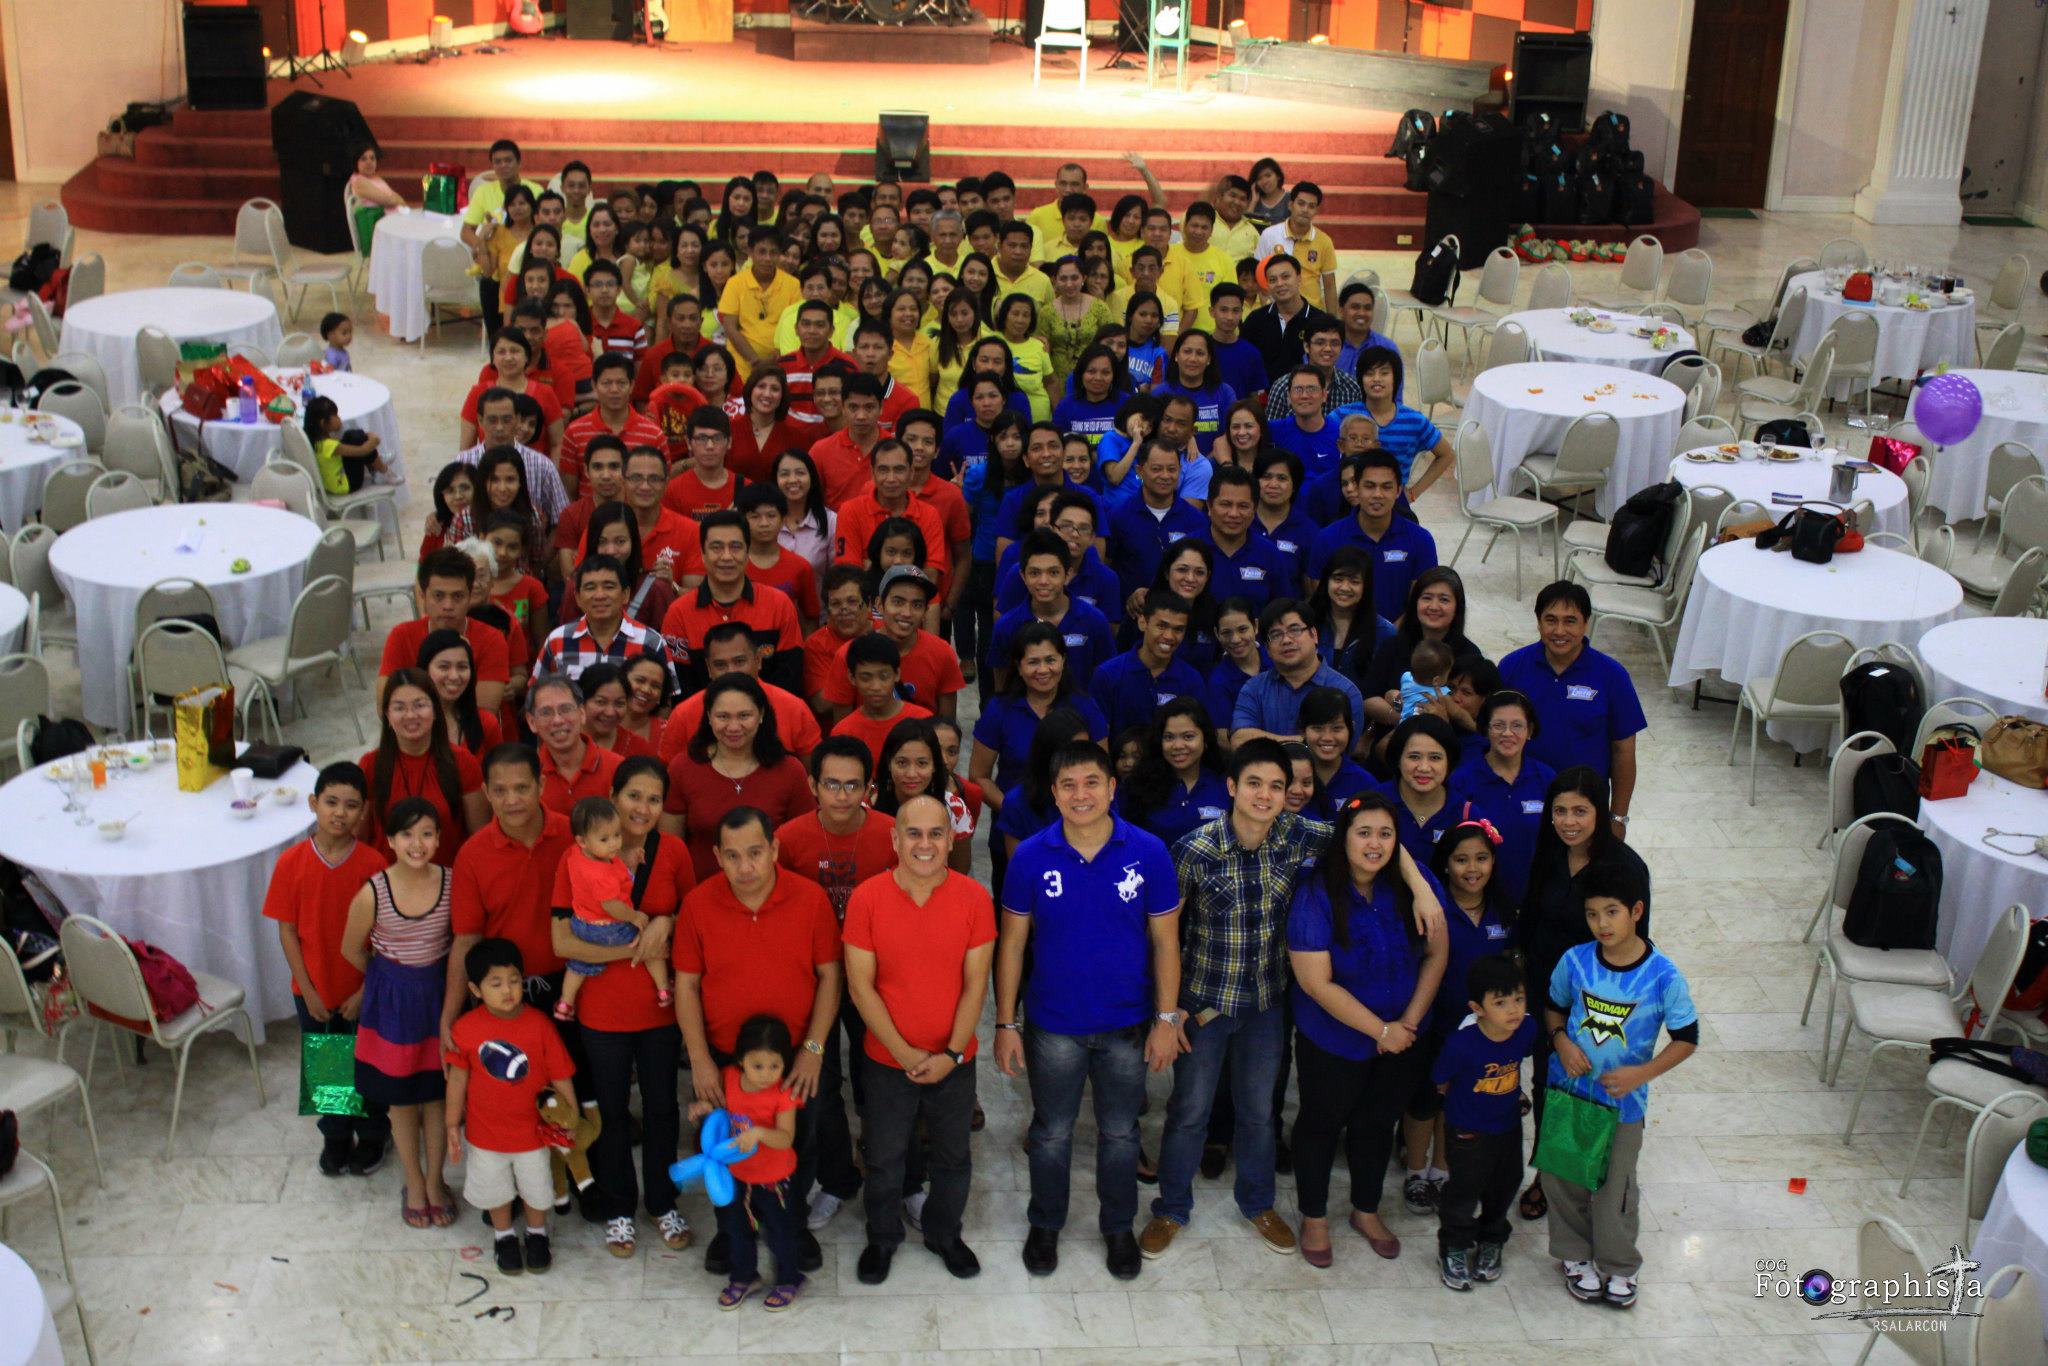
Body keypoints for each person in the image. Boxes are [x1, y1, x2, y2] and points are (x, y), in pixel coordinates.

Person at [1143, 739, 1425, 1259]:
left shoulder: (1301, 837)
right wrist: (1166, 1009)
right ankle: (1171, 1209)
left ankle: (1258, 1203)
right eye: (1254, 783)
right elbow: (1162, 936)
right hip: (1202, 1006)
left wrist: (1421, 888)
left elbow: (1372, 835)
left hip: (1267, 1006)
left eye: (1278, 785)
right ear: (1231, 787)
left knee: (1258, 1113)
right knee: (1189, 1112)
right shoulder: (1194, 850)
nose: (1267, 794)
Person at [994, 743, 1183, 1281]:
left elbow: (1167, 942)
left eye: (1092, 783)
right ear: (1053, 793)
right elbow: (1011, 945)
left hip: (1127, 1023)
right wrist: (1006, 1023)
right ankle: (1046, 1222)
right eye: (1069, 785)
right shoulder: (1030, 856)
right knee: (1052, 1132)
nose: (1081, 795)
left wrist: (1166, 1020)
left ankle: (1118, 1227)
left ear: (1111, 787)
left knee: (1121, 1133)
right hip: (1053, 1024)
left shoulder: (1148, 852)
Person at [673, 805, 842, 1278]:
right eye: (732, 856)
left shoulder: (809, 900)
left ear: (774, 849)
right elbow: (686, 984)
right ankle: (732, 1232)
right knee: (724, 1146)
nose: (745, 867)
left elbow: (830, 976)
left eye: (755, 853)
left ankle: (793, 1224)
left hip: (794, 1060)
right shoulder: (698, 904)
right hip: (725, 1057)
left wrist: (813, 1049)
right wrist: (701, 1060)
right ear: (717, 857)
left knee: (796, 1145)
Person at [1285, 791, 1449, 1265]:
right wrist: (1380, 1030)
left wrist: (1409, 1023)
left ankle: (1366, 1208)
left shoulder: (1413, 887)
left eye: (1385, 834)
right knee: (1320, 1123)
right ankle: (1314, 1216)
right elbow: (1315, 982)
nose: (1374, 844)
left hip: (1405, 1036)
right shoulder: (1317, 893)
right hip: (1335, 1040)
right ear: (1344, 839)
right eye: (1363, 833)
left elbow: (1438, 955)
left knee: (1377, 1124)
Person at [842, 793, 997, 1285]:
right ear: (895, 838)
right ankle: (882, 1237)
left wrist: (951, 1053)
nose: (924, 844)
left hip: (955, 1060)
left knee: (953, 1156)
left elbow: (977, 984)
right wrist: (905, 1053)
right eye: (914, 833)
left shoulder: (974, 898)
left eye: (936, 833)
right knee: (885, 1157)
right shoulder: (867, 897)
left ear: (952, 839)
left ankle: (944, 1233)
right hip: (888, 1061)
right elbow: (859, 986)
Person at [552, 756, 697, 1255]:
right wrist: (634, 946)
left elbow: (692, 919)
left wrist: (667, 922)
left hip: (659, 1011)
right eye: (634, 795)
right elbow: (562, 942)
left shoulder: (673, 852)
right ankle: (619, 1207)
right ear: (612, 796)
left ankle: (662, 1200)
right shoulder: (574, 859)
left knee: (661, 1107)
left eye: (654, 799)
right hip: (600, 1012)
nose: (643, 807)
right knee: (611, 1112)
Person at [1543, 861, 1696, 1309]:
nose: (1602, 924)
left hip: (1622, 1106)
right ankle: (1574, 1257)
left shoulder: (1663, 975)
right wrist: (1560, 1041)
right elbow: (1554, 1007)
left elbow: (1687, 1039)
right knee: (1563, 1177)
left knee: (1616, 1187)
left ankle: (1619, 1265)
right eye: (1593, 914)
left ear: (1636, 911)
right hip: (1570, 1091)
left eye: (1612, 912)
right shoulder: (1575, 960)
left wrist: (1640, 1074)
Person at [1517, 765, 1652, 1221]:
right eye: (1559, 811)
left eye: (1580, 811)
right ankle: (1549, 1175)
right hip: (1545, 992)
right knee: (1547, 1082)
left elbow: (1637, 950)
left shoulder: (1626, 868)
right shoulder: (1550, 851)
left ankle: (1593, 1175)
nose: (1568, 821)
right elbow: (1531, 913)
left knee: (1593, 1090)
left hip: (1599, 1002)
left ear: (1600, 811)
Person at [266, 763, 390, 1177]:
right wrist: (308, 988)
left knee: (368, 1066)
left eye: (351, 805)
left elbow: (385, 937)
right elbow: (287, 932)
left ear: (364, 812)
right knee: (328, 1066)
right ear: (313, 803)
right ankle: (336, 1136)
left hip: (363, 992)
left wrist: (364, 992)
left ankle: (373, 1135)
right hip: (313, 991)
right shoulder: (291, 863)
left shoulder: (374, 864)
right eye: (331, 802)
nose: (340, 812)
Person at [342, 798, 455, 1228]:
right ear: (389, 840)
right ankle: (413, 1179)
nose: (417, 843)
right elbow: (351, 948)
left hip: (437, 999)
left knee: (436, 1096)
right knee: (402, 1102)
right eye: (406, 834)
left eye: (427, 833)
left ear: (439, 839)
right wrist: (383, 981)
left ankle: (436, 1179)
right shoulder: (373, 892)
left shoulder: (451, 882)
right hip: (392, 1006)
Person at [445, 936, 577, 1274]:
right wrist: (451, 1124)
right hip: (485, 1135)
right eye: (496, 983)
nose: (508, 990)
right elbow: (457, 1080)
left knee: (536, 1188)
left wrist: (571, 1114)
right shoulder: (465, 1030)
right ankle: (503, 1236)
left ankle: (536, 1234)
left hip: (534, 1134)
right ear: (475, 990)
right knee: (496, 1191)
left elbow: (561, 1074)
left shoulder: (539, 1025)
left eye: (514, 981)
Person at [445, 744, 578, 1043]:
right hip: (506, 996)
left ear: (541, 785)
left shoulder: (573, 837)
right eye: (500, 790)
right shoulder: (472, 856)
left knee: (576, 1086)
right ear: (486, 792)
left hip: (574, 984)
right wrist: (449, 1016)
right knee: (521, 1086)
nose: (512, 800)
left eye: (522, 788)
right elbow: (467, 938)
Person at [1501, 580, 1646, 827]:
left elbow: (1623, 751)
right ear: (1538, 622)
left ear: (1586, 624)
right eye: (1551, 620)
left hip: (1586, 808)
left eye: (1570, 621)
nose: (1559, 631)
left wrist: (1618, 818)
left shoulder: (1612, 676)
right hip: (1525, 803)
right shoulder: (1512, 668)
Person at [1431, 951, 1534, 1291]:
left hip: (1507, 1126)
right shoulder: (1462, 1043)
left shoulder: (1526, 1029)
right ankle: (1454, 1247)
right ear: (1477, 1008)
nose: (1514, 1010)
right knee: (1463, 1191)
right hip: (1467, 1131)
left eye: (1519, 999)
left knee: (1506, 1183)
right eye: (1501, 1002)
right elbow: (1441, 1079)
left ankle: (1492, 1239)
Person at [690, 1014, 806, 1311]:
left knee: (780, 1233)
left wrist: (759, 1133)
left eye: (775, 1066)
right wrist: (705, 1109)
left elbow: (785, 1138)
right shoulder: (728, 1078)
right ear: (741, 1059)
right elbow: (722, 1112)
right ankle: (744, 1277)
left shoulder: (784, 1095)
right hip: (737, 1176)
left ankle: (789, 1279)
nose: (766, 1074)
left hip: (774, 1180)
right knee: (737, 1231)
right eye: (757, 1066)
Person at [661, 674, 816, 878]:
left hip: (772, 892)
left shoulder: (790, 770)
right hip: (700, 894)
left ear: (761, 715)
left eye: (744, 716)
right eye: (723, 716)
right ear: (708, 717)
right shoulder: (683, 768)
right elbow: (670, 847)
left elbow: (804, 844)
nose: (733, 727)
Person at [555, 795, 667, 1023]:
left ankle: (566, 1002)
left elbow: (613, 869)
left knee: (578, 964)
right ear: (583, 841)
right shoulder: (601, 874)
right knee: (649, 943)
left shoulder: (576, 855)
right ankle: (664, 988)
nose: (615, 843)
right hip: (607, 927)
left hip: (582, 923)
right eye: (605, 839)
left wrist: (630, 861)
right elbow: (612, 906)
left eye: (616, 835)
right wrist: (635, 916)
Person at [360, 668, 489, 866]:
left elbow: (479, 839)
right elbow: (358, 839)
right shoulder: (371, 766)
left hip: (447, 881)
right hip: (388, 883)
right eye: (399, 708)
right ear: (387, 715)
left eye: (420, 705)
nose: (410, 715)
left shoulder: (462, 763)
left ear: (436, 711)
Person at [1307, 449, 1440, 623]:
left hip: (1398, 640)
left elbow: (1422, 600)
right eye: (1369, 486)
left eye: (1386, 487)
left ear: (1398, 490)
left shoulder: (1421, 540)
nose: (1378, 494)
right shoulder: (1327, 539)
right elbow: (1321, 597)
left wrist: (1389, 637)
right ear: (1356, 487)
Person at [1446, 691, 1553, 903]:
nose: (1507, 733)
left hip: (1535, 900)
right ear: (1485, 729)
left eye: (1517, 726)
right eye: (1498, 725)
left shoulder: (1546, 778)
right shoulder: (1462, 781)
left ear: (1530, 731)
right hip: (1480, 902)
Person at [383, 549, 511, 716]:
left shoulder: (492, 639)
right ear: (422, 597)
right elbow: (385, 706)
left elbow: (484, 712)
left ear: (470, 597)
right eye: (438, 596)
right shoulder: (401, 636)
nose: (448, 606)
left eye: (457, 596)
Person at [1232, 598, 1365, 745]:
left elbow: (1342, 751)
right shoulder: (1254, 688)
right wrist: (1302, 742)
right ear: (1267, 649)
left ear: (1314, 635)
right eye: (1276, 635)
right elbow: (1239, 741)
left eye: (1294, 630)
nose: (1286, 640)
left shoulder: (1346, 691)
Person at [1117, 697, 1230, 851]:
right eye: (1169, 737)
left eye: (1188, 737)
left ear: (1205, 740)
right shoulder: (1136, 787)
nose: (1177, 746)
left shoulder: (1227, 784)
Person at [1089, 590, 1203, 740]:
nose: (1169, 636)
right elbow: (1099, 738)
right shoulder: (1108, 675)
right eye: (1162, 626)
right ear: (1143, 622)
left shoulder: (1192, 680)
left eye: (1178, 629)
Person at [831, 634, 931, 765]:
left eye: (884, 677)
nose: (876, 687)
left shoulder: (924, 721)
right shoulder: (843, 732)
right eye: (866, 678)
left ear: (897, 674)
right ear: (852, 677)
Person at [719, 229, 801, 380]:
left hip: (780, 364)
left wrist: (773, 359)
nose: (767, 258)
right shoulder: (735, 283)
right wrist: (754, 360)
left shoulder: (793, 285)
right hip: (741, 366)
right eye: (762, 252)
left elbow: (793, 327)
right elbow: (730, 326)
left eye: (773, 253)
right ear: (750, 252)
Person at [1242, 255, 1335, 386]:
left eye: (1285, 277)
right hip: (1265, 401)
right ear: (1267, 285)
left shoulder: (1319, 321)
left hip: (1307, 398)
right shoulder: (1256, 320)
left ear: (1299, 278)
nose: (1280, 284)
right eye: (1273, 280)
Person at [1401, 640, 1455, 720]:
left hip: (1403, 725)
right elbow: (1459, 714)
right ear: (1436, 680)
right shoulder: (1443, 694)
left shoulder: (1406, 678)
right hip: (1425, 730)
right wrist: (1474, 726)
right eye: (1448, 673)